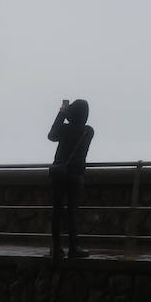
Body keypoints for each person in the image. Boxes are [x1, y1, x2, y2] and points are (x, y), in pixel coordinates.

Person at [48, 98, 94, 260]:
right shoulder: (88, 131)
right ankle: (74, 247)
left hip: (59, 173)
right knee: (72, 212)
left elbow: (51, 135)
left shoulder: (65, 130)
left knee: (57, 211)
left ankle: (56, 248)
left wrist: (62, 112)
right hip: (75, 175)